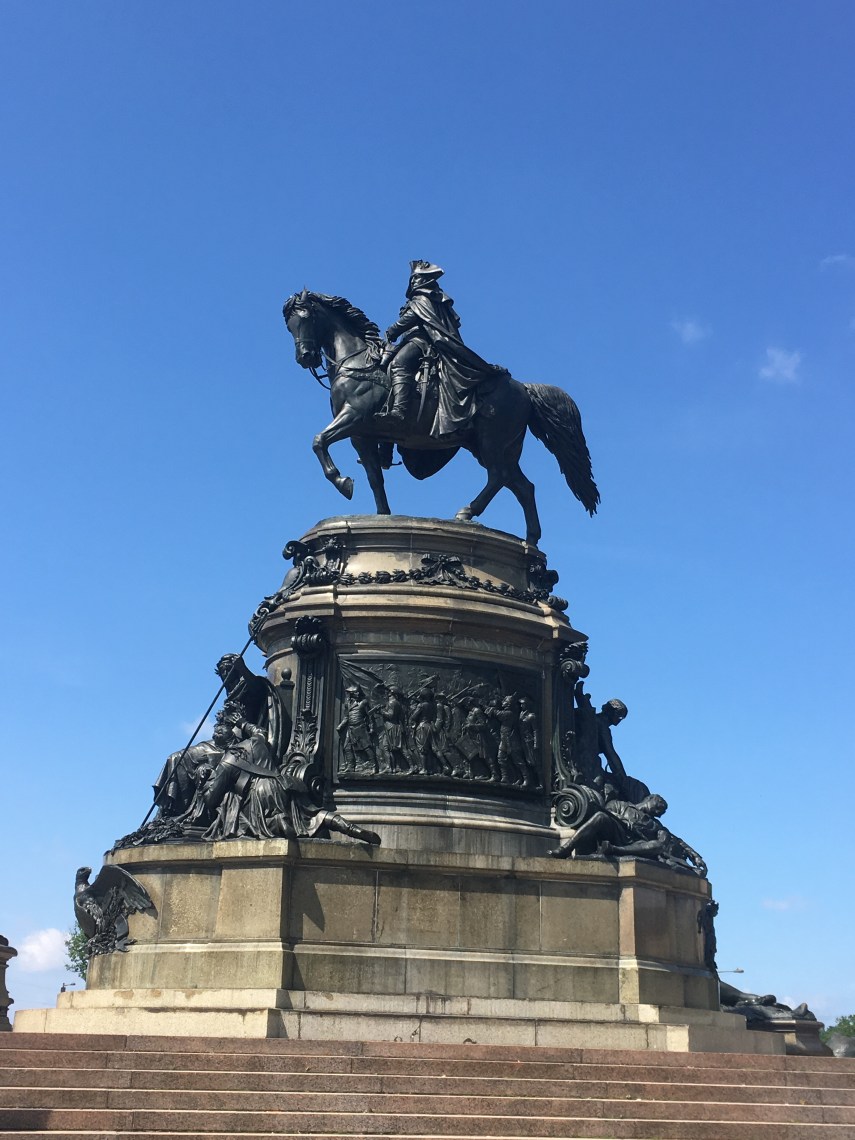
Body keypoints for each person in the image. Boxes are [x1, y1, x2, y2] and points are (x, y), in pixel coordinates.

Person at [381, 260, 507, 434]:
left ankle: (399, 411)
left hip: (422, 342)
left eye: (416, 278)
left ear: (425, 280)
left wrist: (392, 329)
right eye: (412, 279)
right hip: (410, 340)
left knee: (399, 364)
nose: (413, 282)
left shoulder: (424, 298)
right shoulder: (425, 298)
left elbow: (412, 318)